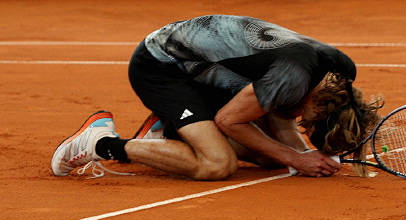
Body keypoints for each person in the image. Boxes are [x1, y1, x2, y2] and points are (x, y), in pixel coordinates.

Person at [51, 15, 383, 180]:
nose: (301, 122)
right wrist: (298, 158)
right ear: (316, 106)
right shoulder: (292, 79)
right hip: (162, 66)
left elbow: (281, 120)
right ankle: (101, 142)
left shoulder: (338, 70)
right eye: (308, 123)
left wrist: (300, 156)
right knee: (217, 163)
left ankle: (170, 133)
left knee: (272, 157)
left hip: (209, 69)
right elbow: (230, 120)